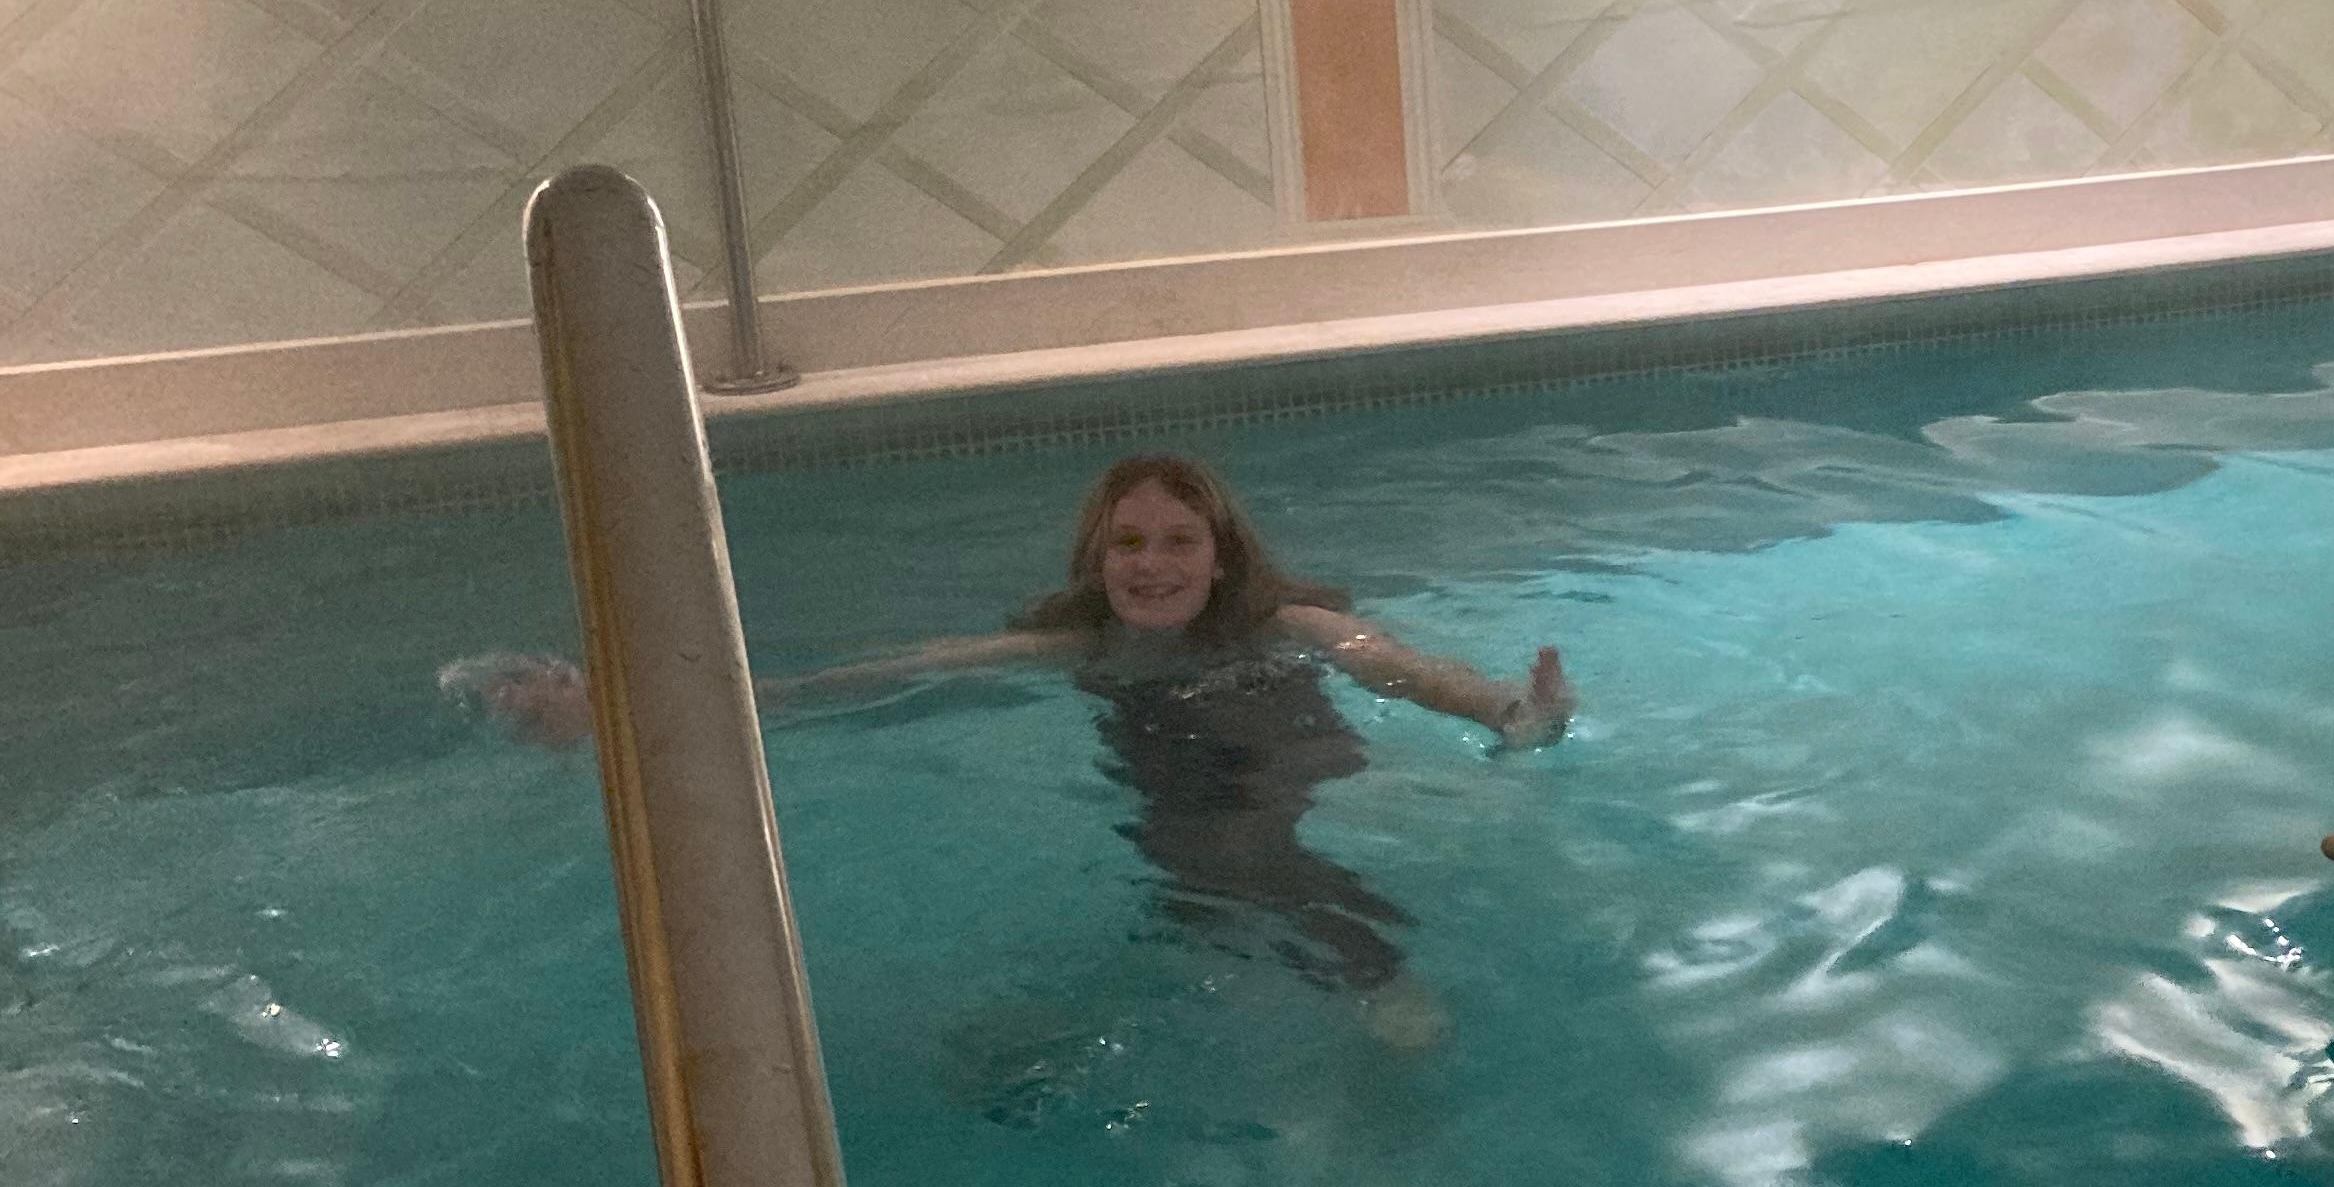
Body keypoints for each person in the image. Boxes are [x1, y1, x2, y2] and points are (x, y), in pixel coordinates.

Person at [455, 453, 1572, 1047]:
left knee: (1236, 858)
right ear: (1096, 559)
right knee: (1196, 877)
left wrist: (1513, 710)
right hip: (1178, 781)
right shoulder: (1075, 647)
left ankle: (1374, 973)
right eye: (1127, 543)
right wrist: (633, 714)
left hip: (1289, 762)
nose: (1151, 564)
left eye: (1179, 541)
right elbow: (875, 679)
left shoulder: (1287, 627)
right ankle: (1149, 1010)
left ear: (1223, 557)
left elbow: (1401, 669)